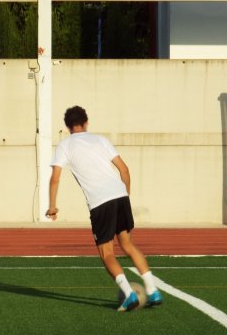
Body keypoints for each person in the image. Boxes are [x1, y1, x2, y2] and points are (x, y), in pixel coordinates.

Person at [46, 106, 163, 312]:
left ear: (67, 127)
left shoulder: (65, 145)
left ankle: (128, 295)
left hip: (100, 202)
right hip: (120, 196)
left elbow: (55, 177)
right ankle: (153, 291)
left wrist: (52, 206)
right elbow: (124, 169)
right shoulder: (101, 140)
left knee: (106, 253)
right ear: (86, 122)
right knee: (127, 244)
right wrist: (124, 195)